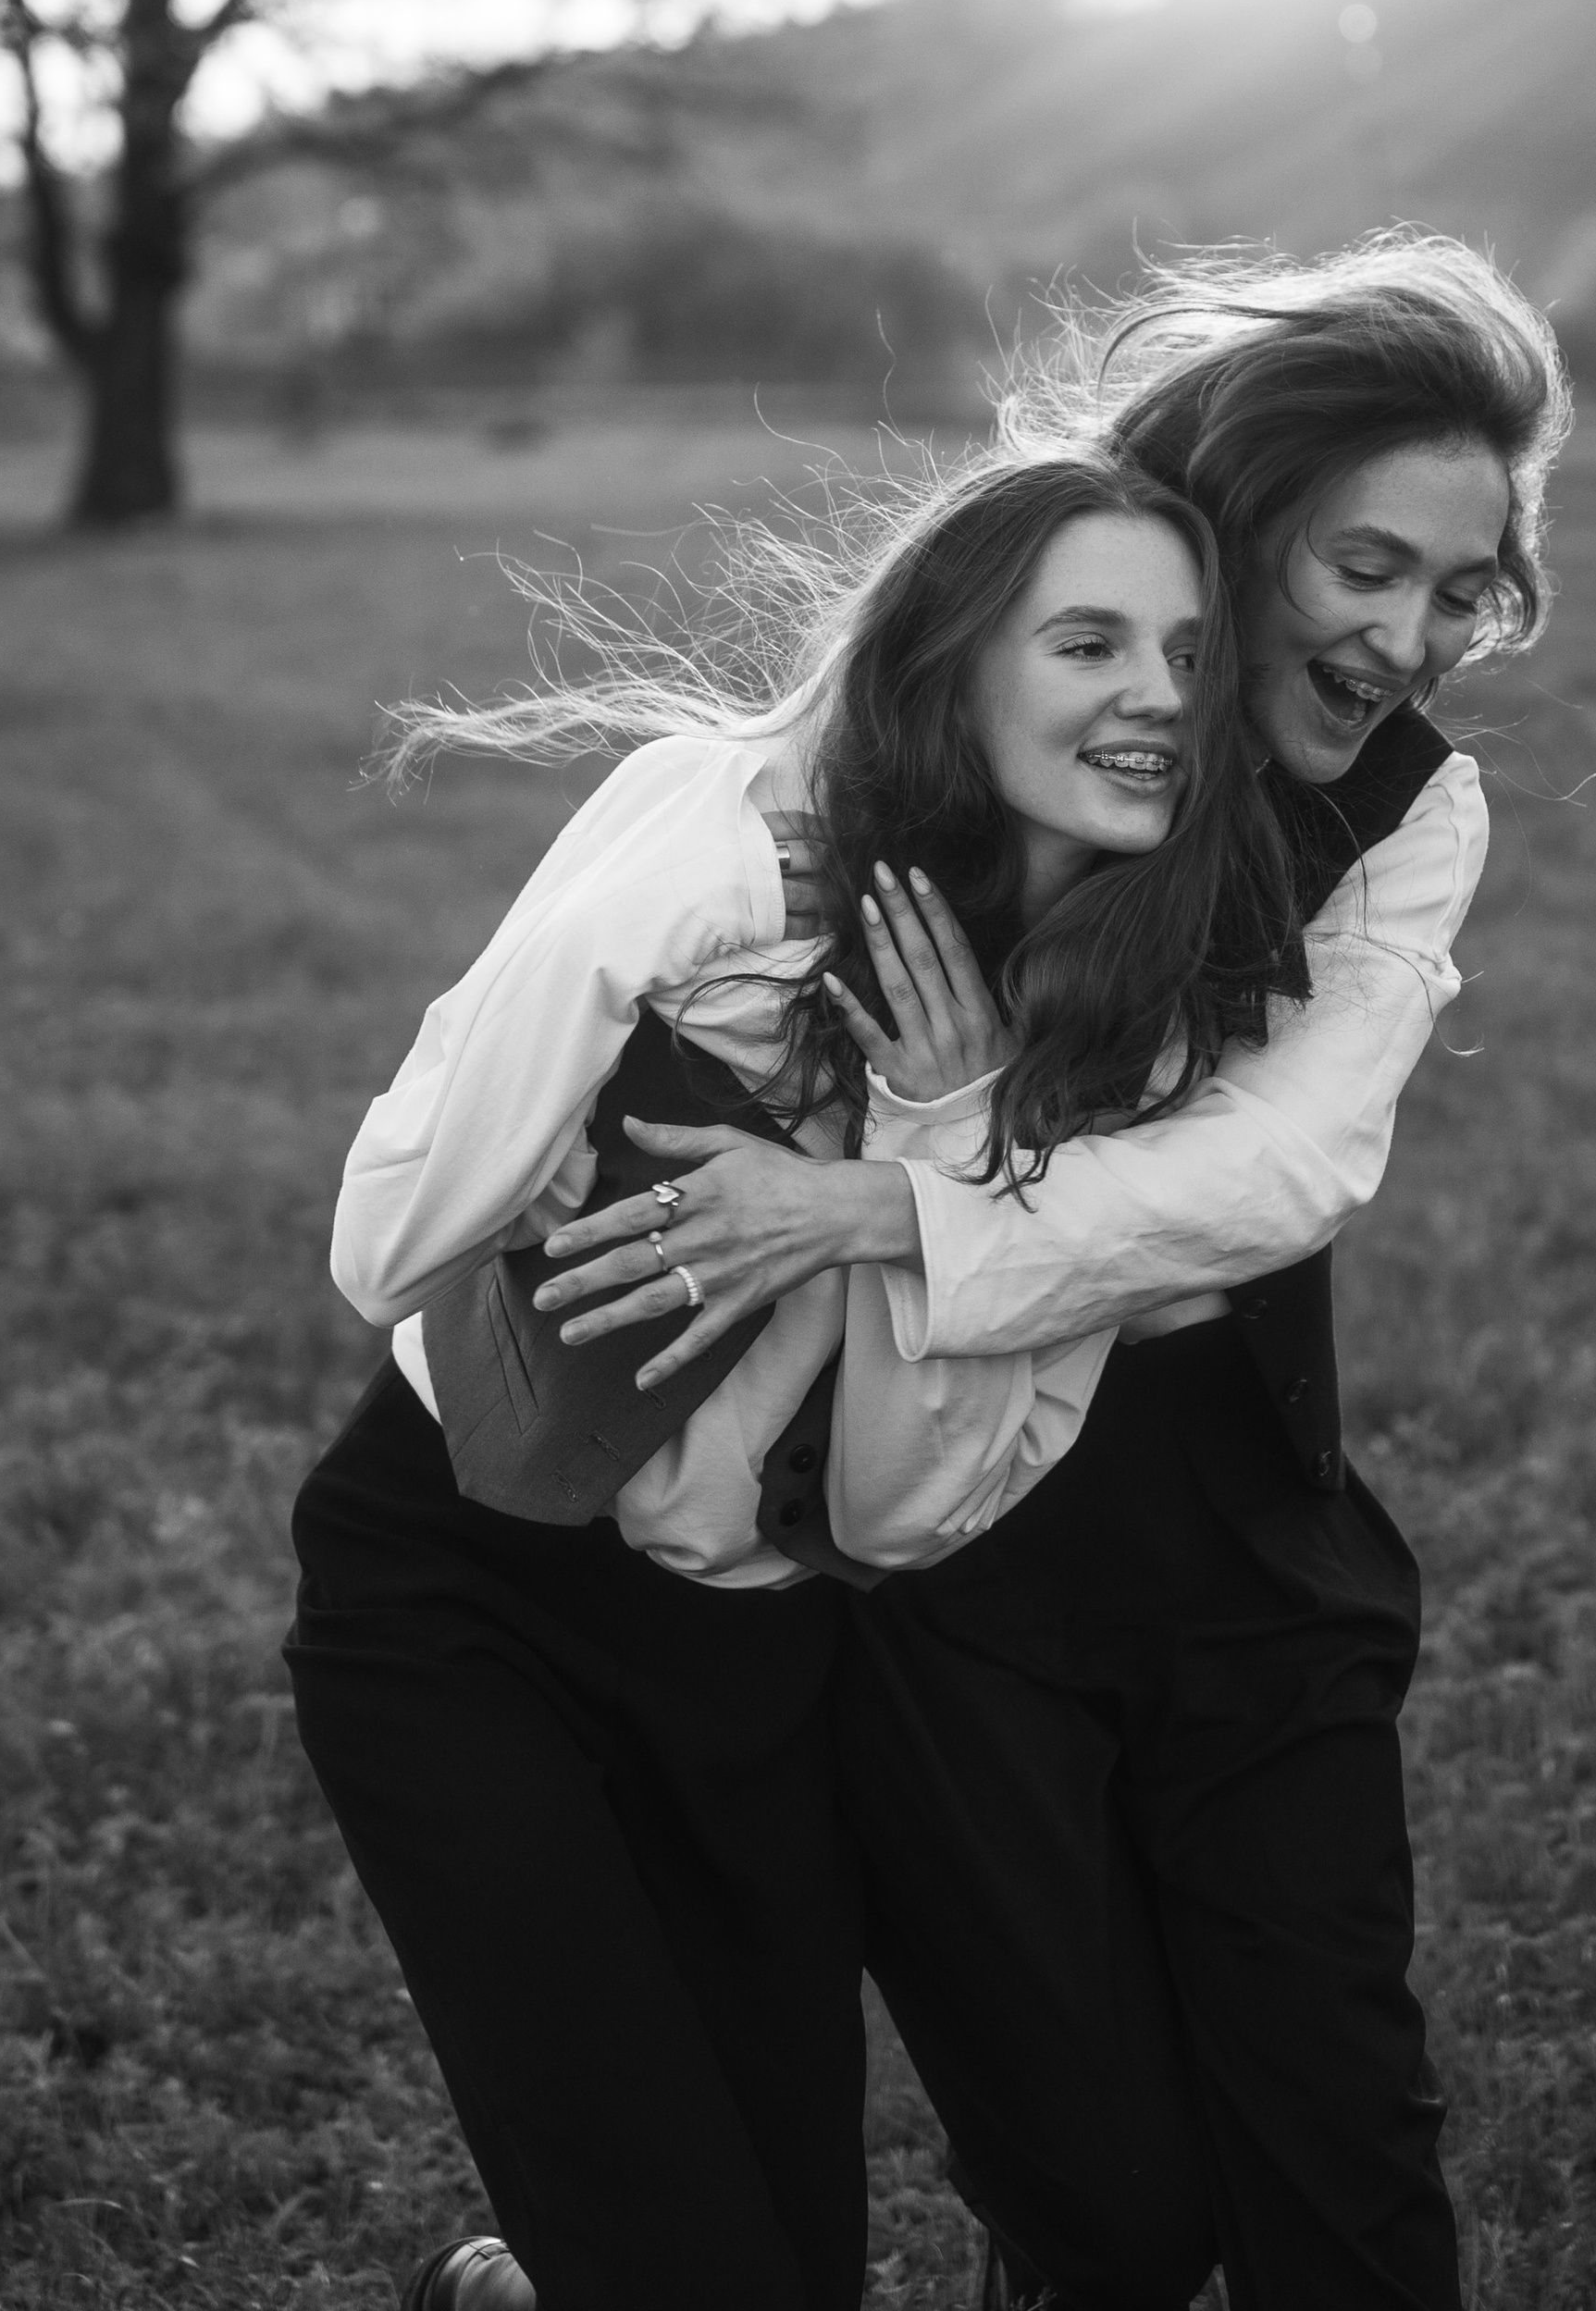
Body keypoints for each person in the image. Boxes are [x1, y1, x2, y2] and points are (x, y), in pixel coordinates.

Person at [535, 233, 1570, 2309]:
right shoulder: (982, 737)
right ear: (1247, 522)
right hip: (946, 1561)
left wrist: (899, 1206)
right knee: (1099, 2213)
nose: (1408, 639)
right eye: (1363, 568)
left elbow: (1282, 1166)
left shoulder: (1404, 811)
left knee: (1342, 2159)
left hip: (1247, 1558)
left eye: (1460, 590)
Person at [283, 448, 1302, 2311]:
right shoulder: (713, 835)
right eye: (1086, 640)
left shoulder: (1123, 1076)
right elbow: (387, 1236)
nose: (1156, 693)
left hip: (753, 1660)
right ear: (950, 660)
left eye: (1186, 653)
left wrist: (920, 1149)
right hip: (459, 1592)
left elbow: (891, 1511)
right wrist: (690, 891)